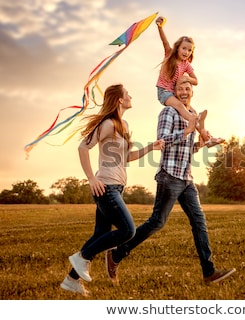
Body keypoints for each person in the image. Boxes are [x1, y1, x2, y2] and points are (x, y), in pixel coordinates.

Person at [105, 79, 236, 285]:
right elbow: (163, 141)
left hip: (186, 178)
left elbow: (187, 149)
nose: (184, 92)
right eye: (180, 89)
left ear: (192, 92)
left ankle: (209, 273)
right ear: (174, 93)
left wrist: (202, 144)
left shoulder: (191, 114)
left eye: (187, 89)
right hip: (169, 176)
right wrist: (187, 130)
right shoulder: (168, 112)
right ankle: (117, 255)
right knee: (156, 222)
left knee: (199, 222)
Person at [60, 84, 165, 296]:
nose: (130, 96)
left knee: (101, 233)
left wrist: (151, 147)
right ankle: (82, 257)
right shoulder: (108, 124)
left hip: (116, 186)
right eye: (128, 94)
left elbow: (126, 157)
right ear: (119, 100)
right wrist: (91, 178)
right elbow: (83, 147)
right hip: (105, 187)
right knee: (128, 230)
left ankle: (71, 280)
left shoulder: (123, 124)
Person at [154, 16, 224, 148]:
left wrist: (187, 78)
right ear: (178, 48)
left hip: (173, 94)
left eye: (189, 50)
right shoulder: (170, 55)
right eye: (184, 48)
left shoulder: (186, 65)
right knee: (182, 108)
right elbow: (164, 41)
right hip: (164, 92)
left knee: (193, 112)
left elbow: (196, 81)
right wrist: (160, 27)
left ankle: (207, 139)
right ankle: (193, 121)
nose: (186, 52)